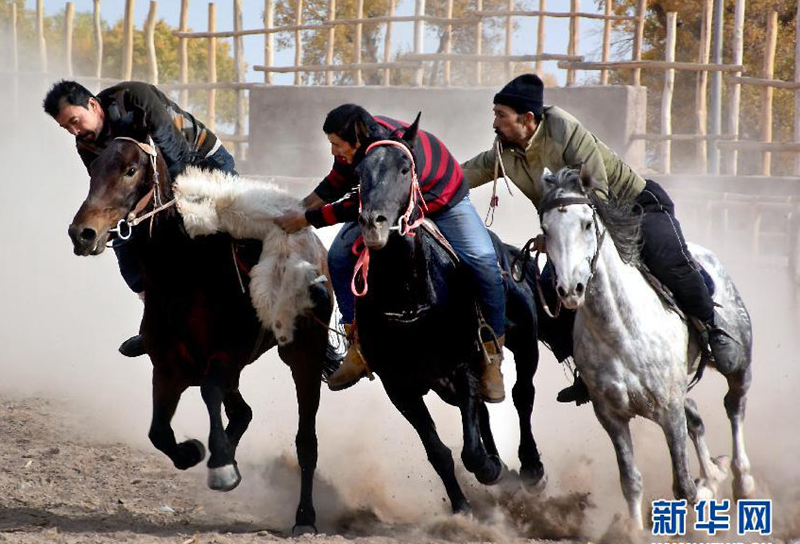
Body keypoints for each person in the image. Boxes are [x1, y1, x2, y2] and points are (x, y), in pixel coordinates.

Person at [461, 74, 742, 405]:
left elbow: (597, 191)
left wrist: (558, 236)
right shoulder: (504, 152)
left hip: (635, 207)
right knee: (552, 286)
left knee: (668, 260)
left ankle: (713, 330)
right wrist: (418, 174)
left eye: (500, 115)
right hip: (576, 228)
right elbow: (460, 175)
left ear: (527, 118)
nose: (494, 123)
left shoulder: (565, 130)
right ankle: (587, 370)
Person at [274, 104, 508, 403]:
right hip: (389, 204)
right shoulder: (358, 144)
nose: (333, 151)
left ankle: (492, 358)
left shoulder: (389, 152)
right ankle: (357, 346)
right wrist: (301, 206)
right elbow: (336, 182)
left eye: (336, 144)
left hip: (443, 199)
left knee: (483, 262)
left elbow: (359, 202)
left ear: (357, 140)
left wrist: (307, 219)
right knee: (339, 257)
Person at [43, 80, 237, 357]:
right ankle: (158, 318)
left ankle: (297, 322)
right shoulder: (85, 145)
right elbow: (108, 192)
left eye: (75, 121)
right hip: (152, 183)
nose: (74, 131)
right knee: (124, 239)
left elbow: (175, 155)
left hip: (202, 162)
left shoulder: (135, 98)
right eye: (67, 128)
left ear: (93, 105)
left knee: (236, 224)